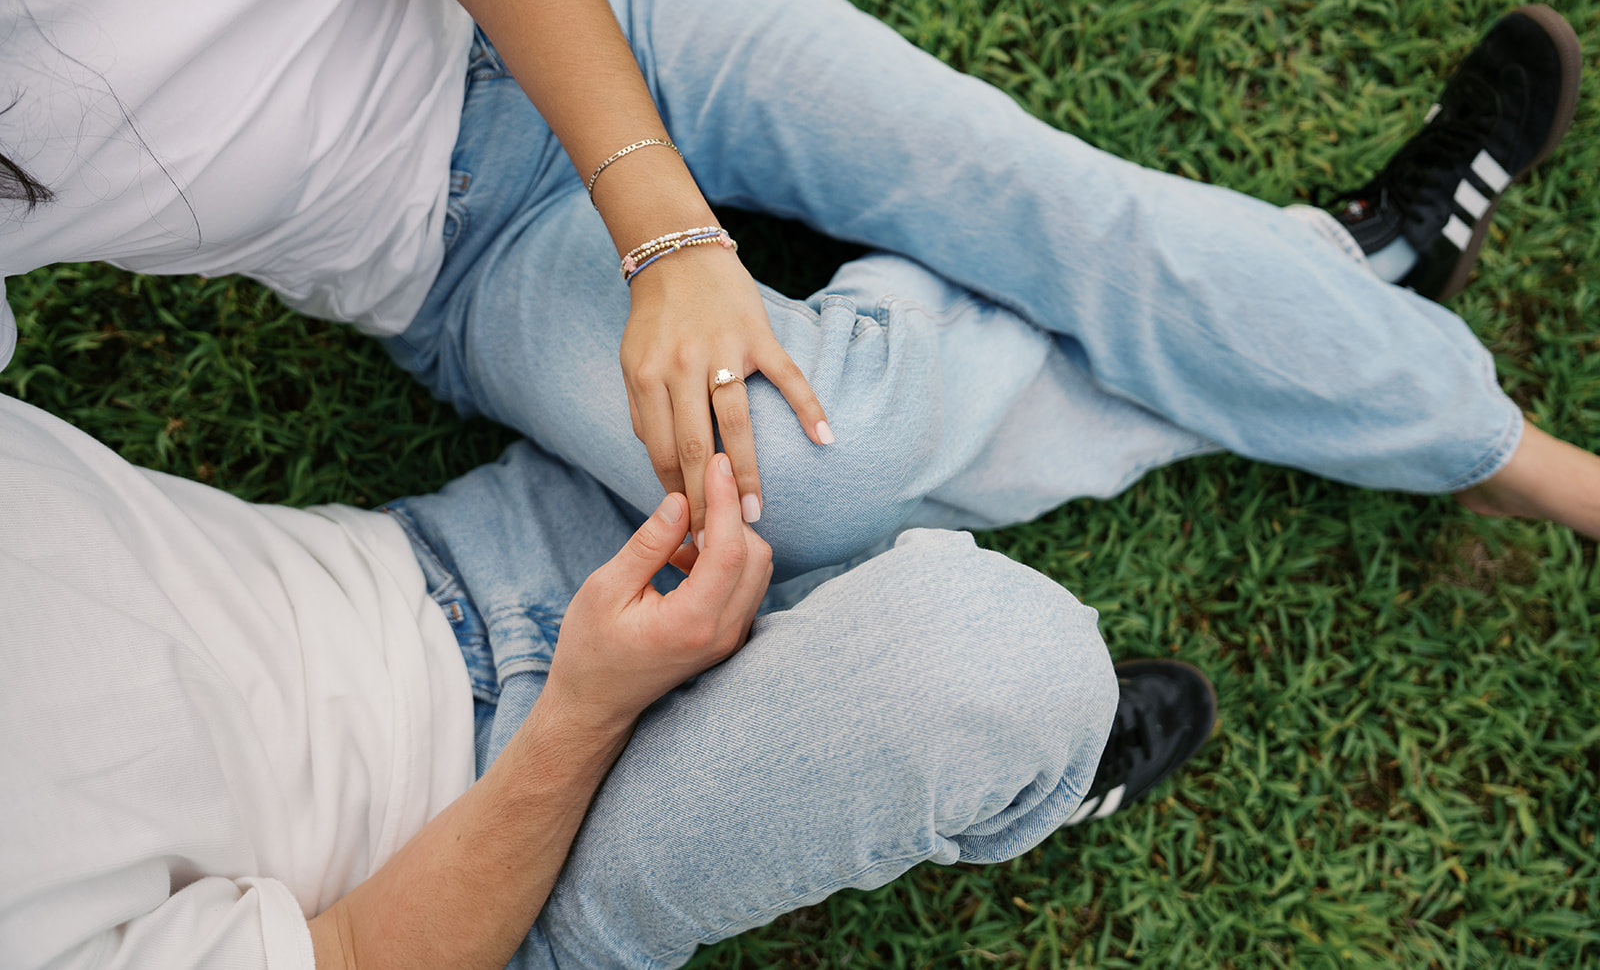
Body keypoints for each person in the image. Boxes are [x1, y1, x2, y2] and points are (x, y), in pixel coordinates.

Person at [2, 0, 1596, 584]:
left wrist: (671, 230)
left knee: (1036, 201)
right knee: (825, 472)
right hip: (445, 257)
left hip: (581, 11)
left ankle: (1534, 469)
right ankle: (1346, 283)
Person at [0, 389, 1217, 969]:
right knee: (1003, 669)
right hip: (486, 863)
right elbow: (367, 956)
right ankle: (1031, 773)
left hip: (457, 551)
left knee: (837, 403)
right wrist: (589, 702)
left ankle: (1309, 294)